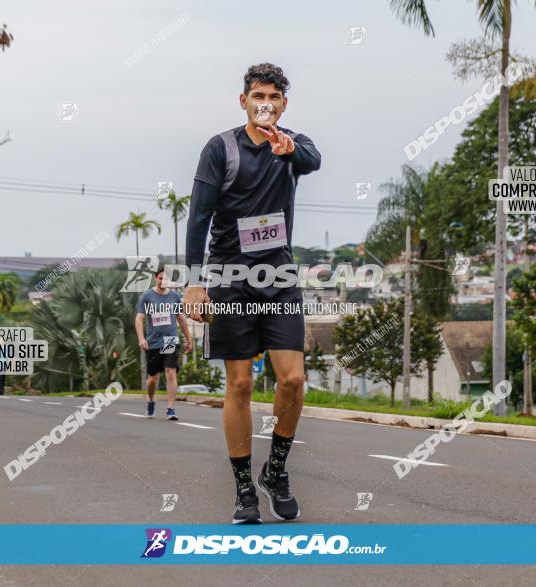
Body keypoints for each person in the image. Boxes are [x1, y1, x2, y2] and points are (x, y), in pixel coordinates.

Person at [184, 63, 321, 524]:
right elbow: (199, 218)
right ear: (243, 100)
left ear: (284, 104)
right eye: (258, 95)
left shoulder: (294, 145)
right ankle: (244, 488)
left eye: (275, 97)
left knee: (293, 380)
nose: (266, 103)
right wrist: (196, 281)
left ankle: (276, 473)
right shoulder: (220, 149)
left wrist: (286, 146)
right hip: (229, 277)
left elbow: (312, 160)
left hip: (278, 275)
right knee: (240, 384)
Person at [135, 268, 193, 420]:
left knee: (170, 372)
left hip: (170, 341)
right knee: (153, 378)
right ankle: (151, 401)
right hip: (153, 342)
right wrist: (142, 338)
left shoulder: (174, 296)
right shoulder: (147, 296)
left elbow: (181, 318)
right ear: (156, 278)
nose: (163, 281)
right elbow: (139, 319)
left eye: (165, 279)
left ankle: (171, 409)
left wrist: (189, 338)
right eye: (160, 278)